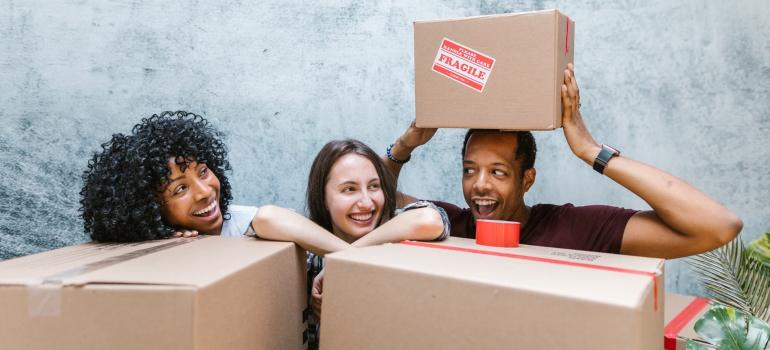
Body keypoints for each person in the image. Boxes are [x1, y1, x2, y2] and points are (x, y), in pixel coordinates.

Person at [382, 64, 742, 259]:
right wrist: (404, 145)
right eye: (469, 170)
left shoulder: (576, 229)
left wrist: (590, 150)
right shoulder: (446, 224)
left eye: (498, 172)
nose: (480, 184)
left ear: (527, 180)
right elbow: (375, 201)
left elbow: (716, 226)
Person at [253, 139, 450, 349]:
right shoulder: (311, 255)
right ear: (323, 198)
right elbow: (265, 218)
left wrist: (346, 259)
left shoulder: (399, 227)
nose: (366, 202)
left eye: (374, 186)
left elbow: (430, 220)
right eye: (349, 189)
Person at [80, 111, 349, 256]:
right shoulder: (154, 247)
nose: (205, 191)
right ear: (148, 209)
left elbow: (269, 218)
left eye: (204, 171)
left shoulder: (246, 222)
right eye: (180, 189)